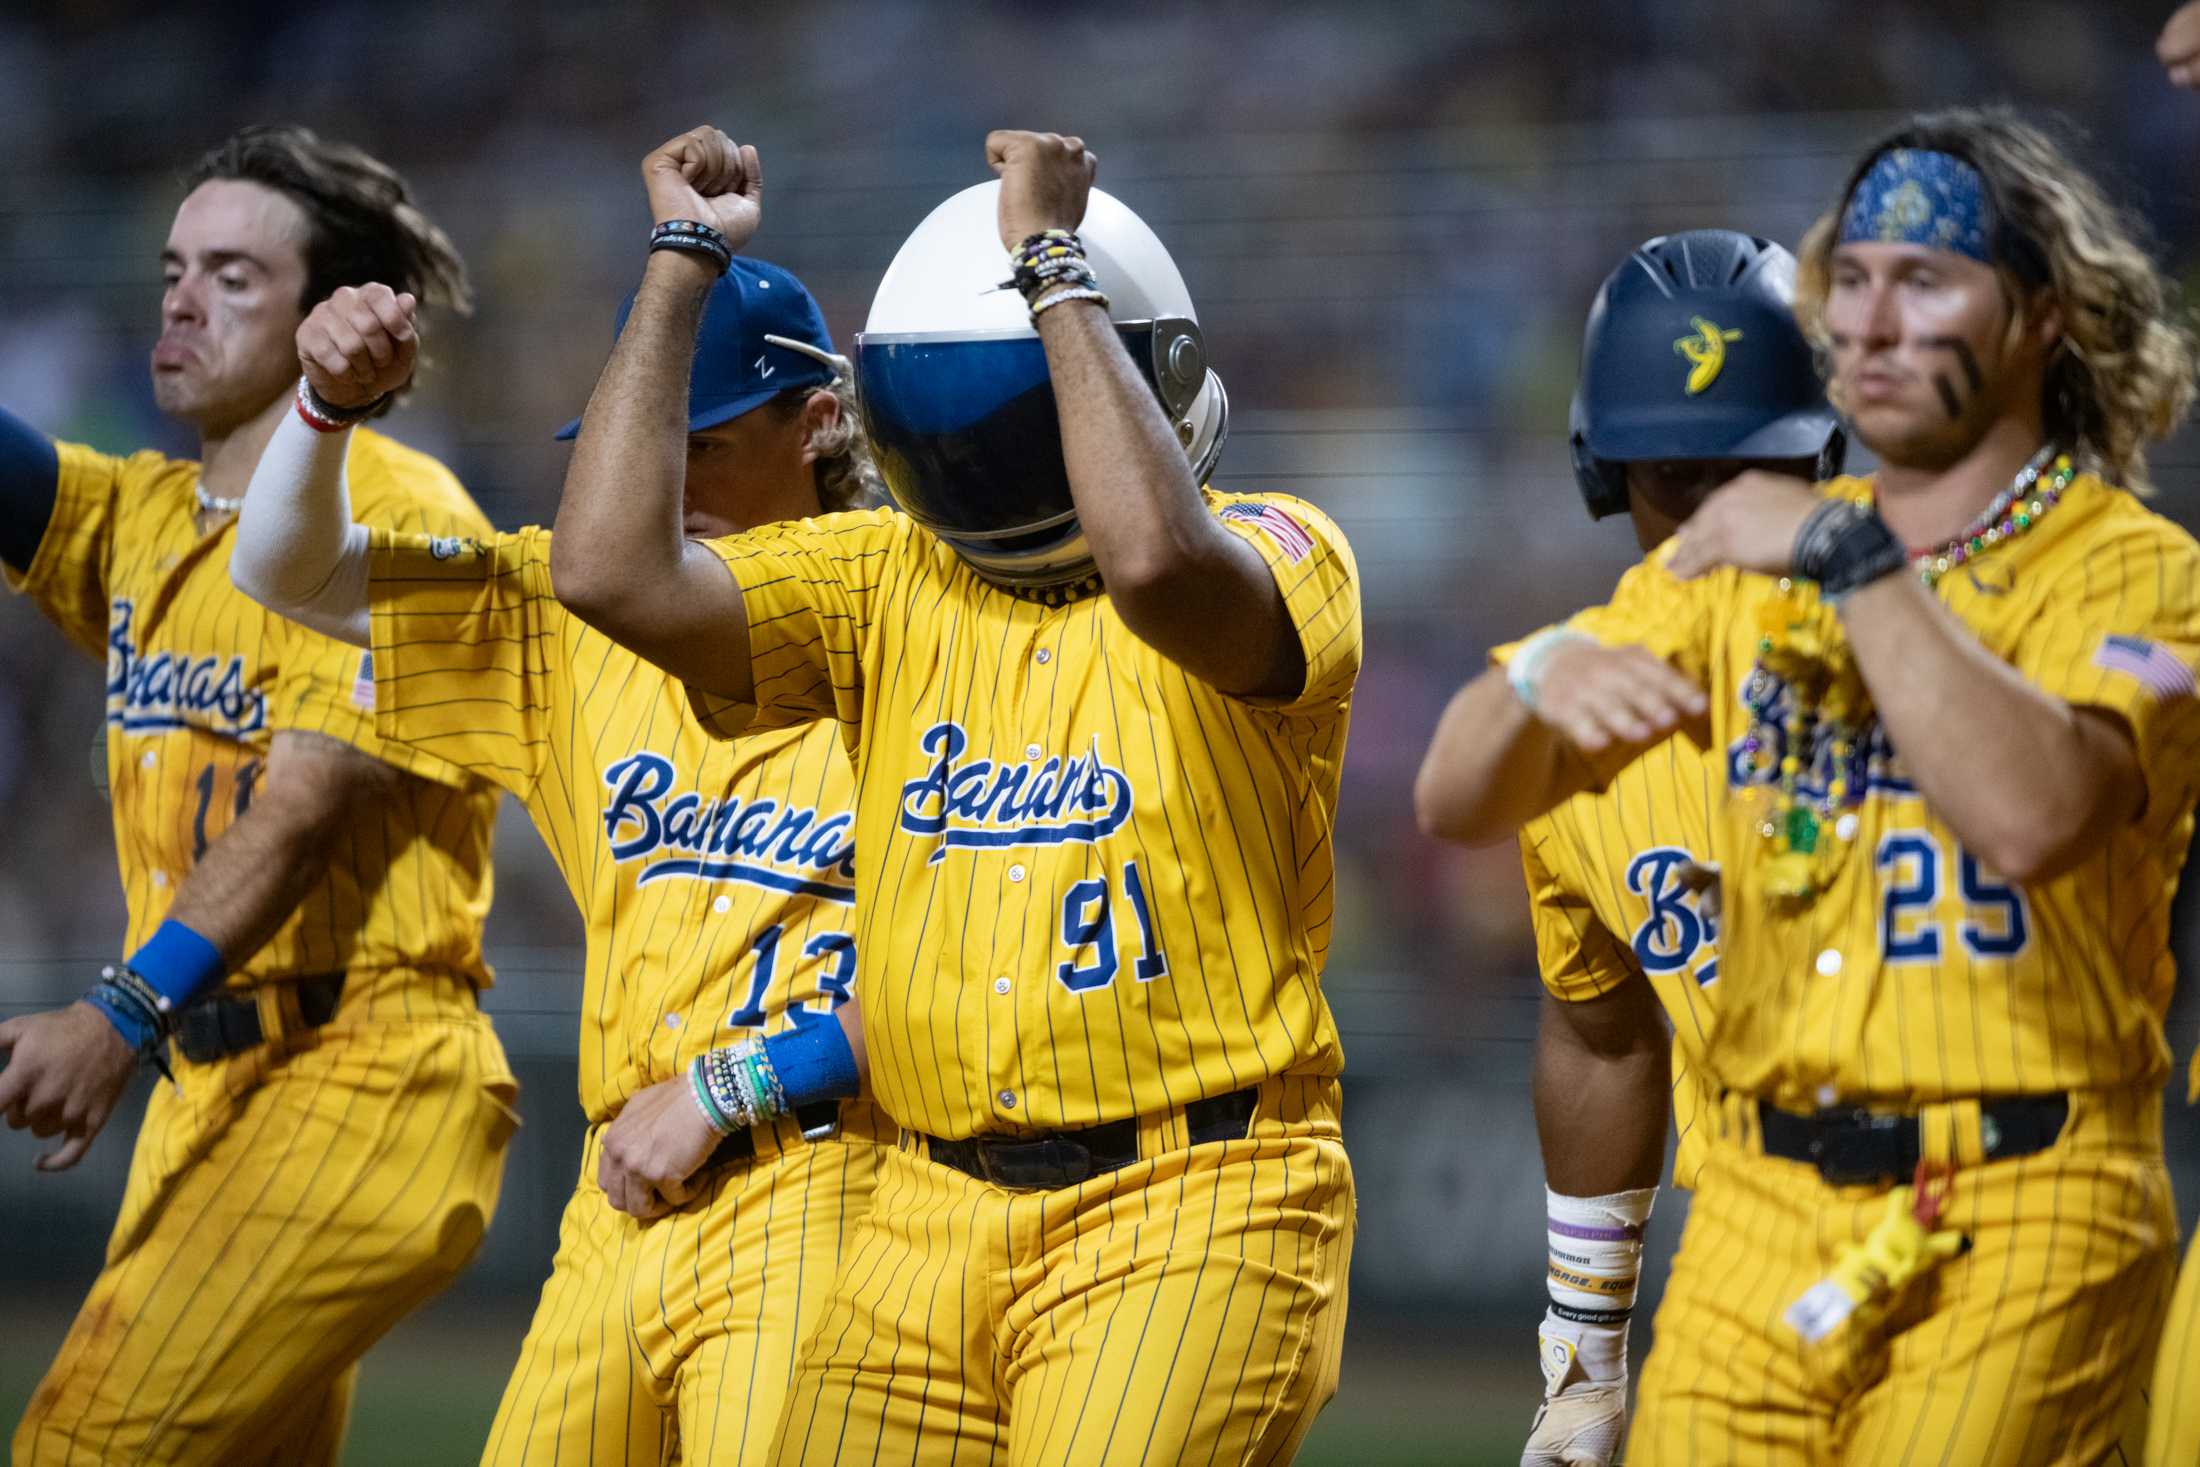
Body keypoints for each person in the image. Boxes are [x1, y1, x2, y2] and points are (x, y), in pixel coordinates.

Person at [547, 125, 1357, 1464]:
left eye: (1017, 415)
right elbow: (610, 574)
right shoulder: (885, 573)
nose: (984, 454)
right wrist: (681, 265)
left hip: (1194, 1196)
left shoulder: (1287, 544)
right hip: (923, 1213)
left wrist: (1049, 258)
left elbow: (1151, 560)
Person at [1417, 108, 2200, 1464]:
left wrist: (1846, 554)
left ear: (2041, 321)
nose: (1878, 320)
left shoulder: (2136, 571)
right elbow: (1459, 788)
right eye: (1858, 280)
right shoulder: (1725, 571)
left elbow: (2032, 810)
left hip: (2024, 1189)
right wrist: (1539, 678)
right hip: (1759, 1219)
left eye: (1929, 280)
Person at [229, 260, 892, 1465]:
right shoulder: (571, 615)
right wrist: (322, 408)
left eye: (707, 442)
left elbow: (981, 969)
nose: (666, 478)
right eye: (646, 441)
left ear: (818, 423)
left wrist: (738, 1088)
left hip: (839, 1182)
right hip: (619, 1195)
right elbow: (285, 571)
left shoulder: (919, 615)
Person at [0, 125, 513, 1465]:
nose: (180, 298)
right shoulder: (145, 512)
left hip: (364, 1066)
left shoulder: (397, 511)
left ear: (326, 314)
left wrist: (118, 1008)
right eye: (176, 267)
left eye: (233, 275)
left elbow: (305, 809)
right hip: (213, 1088)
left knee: (81, 1446)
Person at [1519, 229, 1839, 1467]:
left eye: (1748, 475)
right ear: (1607, 474)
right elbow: (1599, 1033)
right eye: (1675, 477)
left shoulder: (1950, 622)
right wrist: (1585, 1346)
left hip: (1987, 1210)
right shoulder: (1573, 716)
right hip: (1746, 1250)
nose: (1718, 521)